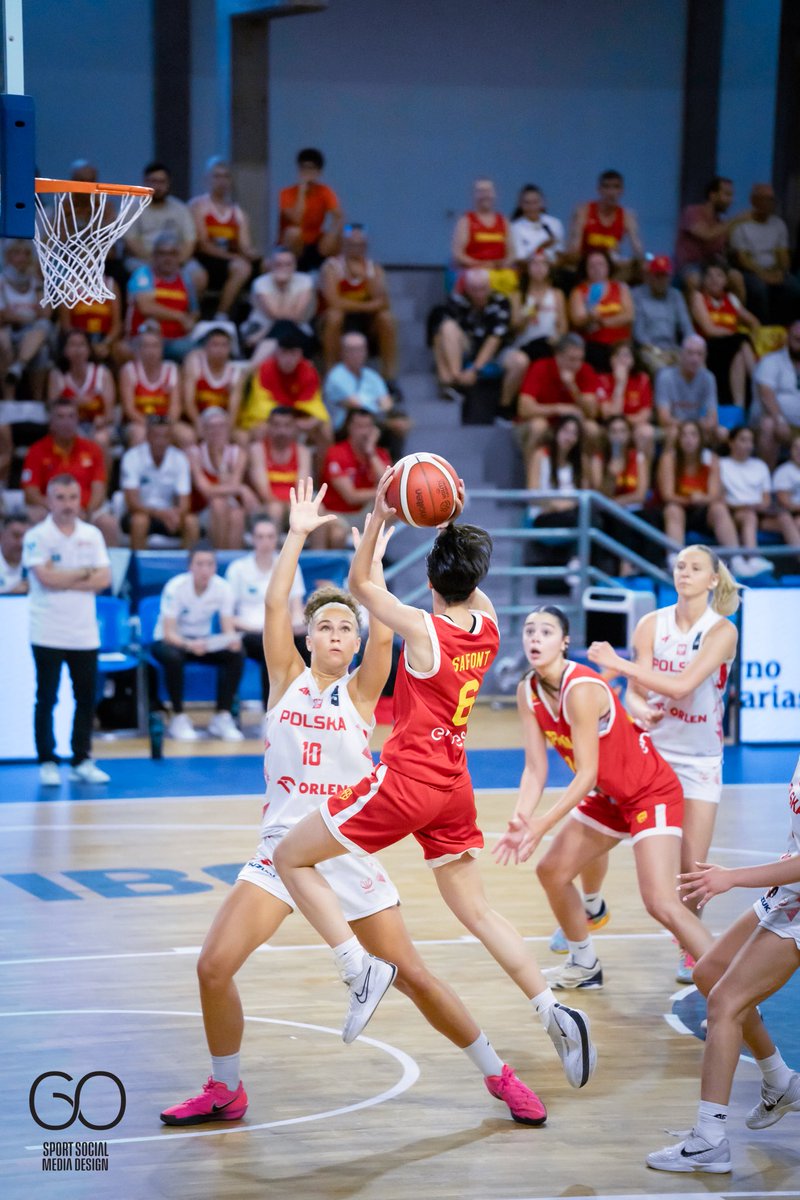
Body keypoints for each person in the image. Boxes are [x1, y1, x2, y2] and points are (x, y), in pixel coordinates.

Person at [160, 484, 549, 1129]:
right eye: (325, 624)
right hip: (281, 856)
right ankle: (225, 1088)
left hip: (346, 847)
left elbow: (380, 607)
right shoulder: (284, 679)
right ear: (307, 636)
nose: (337, 631)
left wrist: (385, 534)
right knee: (212, 965)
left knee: (416, 976)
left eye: (347, 625)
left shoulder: (364, 693)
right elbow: (271, 601)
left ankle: (500, 1076)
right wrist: (296, 534)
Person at [274, 481, 597, 1091]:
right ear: (477, 577)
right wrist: (448, 517)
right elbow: (458, 576)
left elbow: (364, 586)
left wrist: (377, 518)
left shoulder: (425, 631)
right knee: (477, 910)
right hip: (454, 782)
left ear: (430, 575)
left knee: (290, 854)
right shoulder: (490, 623)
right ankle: (551, 1009)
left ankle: (358, 967)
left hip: (407, 781)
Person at [493, 605, 714, 992]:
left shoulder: (581, 689)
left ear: (564, 642)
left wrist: (543, 822)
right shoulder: (527, 689)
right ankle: (584, 964)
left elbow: (587, 773)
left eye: (545, 632)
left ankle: (728, 980)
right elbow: (534, 769)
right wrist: (522, 818)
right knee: (552, 871)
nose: (534, 639)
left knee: (661, 902)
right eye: (529, 631)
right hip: (608, 796)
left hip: (649, 792)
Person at [587, 545, 740, 982]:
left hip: (699, 760)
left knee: (692, 867)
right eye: (679, 566)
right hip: (649, 752)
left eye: (695, 568)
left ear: (712, 580)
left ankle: (689, 946)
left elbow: (682, 686)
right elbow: (636, 688)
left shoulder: (721, 631)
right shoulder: (651, 623)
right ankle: (586, 910)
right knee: (593, 834)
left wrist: (615, 664)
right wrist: (637, 706)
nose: (684, 573)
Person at [644, 754, 800, 1174]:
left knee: (725, 1003)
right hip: (789, 892)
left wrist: (732, 877)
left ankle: (709, 1140)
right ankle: (780, 1080)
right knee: (709, 973)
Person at [21, 474, 111, 786]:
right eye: (60, 498)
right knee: (46, 698)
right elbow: (45, 579)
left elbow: (104, 579)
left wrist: (64, 575)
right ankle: (47, 760)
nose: (67, 504)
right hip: (47, 630)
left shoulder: (92, 534)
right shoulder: (37, 536)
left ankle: (81, 759)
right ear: (48, 500)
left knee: (85, 698)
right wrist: (85, 573)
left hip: (84, 633)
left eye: (72, 497)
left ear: (80, 499)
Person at [150, 541, 244, 742]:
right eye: (199, 564)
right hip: (172, 640)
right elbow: (168, 632)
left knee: (236, 654)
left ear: (215, 567)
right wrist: (189, 645)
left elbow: (227, 627)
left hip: (203, 640)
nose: (205, 569)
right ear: (190, 566)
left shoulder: (223, 588)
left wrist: (231, 641)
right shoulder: (175, 587)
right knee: (172, 657)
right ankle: (178, 716)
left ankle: (223, 716)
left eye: (209, 564)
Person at [225, 512, 306, 708]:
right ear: (252, 539)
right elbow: (228, 616)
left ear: (276, 539)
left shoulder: (288, 565)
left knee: (308, 644)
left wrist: (298, 625)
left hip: (283, 630)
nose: (265, 542)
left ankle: (306, 707)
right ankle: (269, 711)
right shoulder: (238, 569)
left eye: (270, 536)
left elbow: (296, 607)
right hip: (250, 632)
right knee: (269, 647)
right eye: (260, 537)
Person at [21, 398, 119, 546]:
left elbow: (99, 488)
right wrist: (58, 508)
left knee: (109, 524)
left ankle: (109, 568)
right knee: (33, 517)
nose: (66, 422)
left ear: (78, 420)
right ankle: (37, 564)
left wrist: (86, 511)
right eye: (61, 417)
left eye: (71, 416)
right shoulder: (36, 451)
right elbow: (30, 492)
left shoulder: (92, 449)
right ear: (51, 422)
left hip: (86, 510)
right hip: (49, 509)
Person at [318, 225, 399, 386]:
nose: (356, 248)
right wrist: (369, 305)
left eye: (360, 244)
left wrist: (367, 279)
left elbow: (383, 303)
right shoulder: (331, 267)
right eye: (352, 244)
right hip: (335, 323)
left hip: (365, 323)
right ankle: (332, 376)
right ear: (343, 244)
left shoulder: (373, 268)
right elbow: (334, 303)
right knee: (335, 316)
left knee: (386, 318)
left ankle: (389, 378)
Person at [238, 325, 331, 459]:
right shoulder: (265, 370)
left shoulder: (308, 371)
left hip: (295, 420)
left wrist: (314, 419)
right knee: (260, 430)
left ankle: (324, 475)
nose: (288, 359)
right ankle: (265, 474)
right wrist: (286, 422)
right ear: (277, 353)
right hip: (270, 420)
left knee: (325, 429)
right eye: (284, 353)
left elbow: (314, 404)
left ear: (300, 354)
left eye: (293, 354)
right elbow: (260, 407)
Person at [323, 330, 410, 458]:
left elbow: (387, 404)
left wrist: (381, 407)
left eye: (360, 349)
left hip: (372, 421)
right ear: (342, 353)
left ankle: (395, 470)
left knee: (399, 425)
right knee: (377, 424)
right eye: (351, 350)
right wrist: (381, 410)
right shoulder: (335, 377)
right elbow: (356, 405)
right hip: (343, 427)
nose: (356, 354)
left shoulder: (372, 376)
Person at [189, 157, 259, 318]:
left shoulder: (238, 212)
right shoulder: (198, 206)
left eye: (226, 176)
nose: (222, 181)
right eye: (217, 176)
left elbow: (245, 246)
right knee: (240, 266)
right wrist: (233, 256)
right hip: (204, 258)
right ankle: (197, 315)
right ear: (207, 179)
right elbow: (203, 244)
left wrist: (256, 256)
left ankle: (222, 315)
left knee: (255, 266)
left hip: (228, 260)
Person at [515, 332, 599, 463]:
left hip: (572, 426)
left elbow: (592, 413)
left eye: (580, 359)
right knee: (539, 426)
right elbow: (524, 409)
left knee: (592, 429)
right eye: (571, 359)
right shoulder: (540, 367)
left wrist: (572, 387)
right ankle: (533, 480)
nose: (576, 365)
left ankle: (584, 480)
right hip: (544, 424)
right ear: (558, 356)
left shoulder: (586, 371)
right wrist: (558, 408)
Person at [500, 251, 568, 411]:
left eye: (543, 263)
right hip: (521, 346)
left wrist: (557, 339)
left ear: (549, 268)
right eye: (534, 263)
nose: (539, 268)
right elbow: (515, 328)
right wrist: (530, 312)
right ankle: (504, 408)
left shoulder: (557, 295)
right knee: (520, 362)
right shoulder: (517, 295)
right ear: (528, 268)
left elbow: (563, 327)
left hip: (548, 345)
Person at [432, 269, 511, 403]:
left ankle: (454, 385)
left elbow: (495, 337)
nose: (479, 294)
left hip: (492, 350)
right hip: (465, 346)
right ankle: (453, 379)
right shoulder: (458, 300)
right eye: (474, 289)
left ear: (490, 287)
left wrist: (475, 369)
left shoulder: (501, 301)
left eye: (483, 289)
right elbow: (439, 334)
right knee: (445, 328)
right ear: (467, 289)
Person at [316, 409, 392, 548]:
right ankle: (341, 568)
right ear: (349, 428)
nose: (364, 432)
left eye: (368, 426)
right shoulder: (336, 453)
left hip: (365, 514)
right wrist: (382, 491)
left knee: (397, 506)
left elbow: (392, 487)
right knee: (337, 534)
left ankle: (375, 556)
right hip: (336, 514)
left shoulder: (378, 454)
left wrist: (371, 453)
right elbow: (351, 496)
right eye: (359, 426)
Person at [120, 415, 198, 550]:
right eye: (156, 436)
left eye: (165, 436)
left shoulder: (180, 459)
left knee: (191, 522)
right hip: (143, 512)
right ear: (148, 436)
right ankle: (138, 569)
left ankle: (188, 568)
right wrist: (159, 513)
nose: (161, 441)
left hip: (170, 515)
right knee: (140, 521)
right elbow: (132, 503)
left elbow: (185, 503)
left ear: (171, 439)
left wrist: (175, 514)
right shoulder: (132, 457)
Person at [716, 425, 783, 577]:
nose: (748, 445)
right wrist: (743, 506)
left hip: (761, 513)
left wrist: (758, 506)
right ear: (731, 442)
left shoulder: (760, 465)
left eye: (750, 441)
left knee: (786, 518)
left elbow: (766, 499)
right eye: (743, 440)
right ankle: (753, 558)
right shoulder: (721, 464)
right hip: (734, 514)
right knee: (748, 515)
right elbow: (719, 498)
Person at [690, 262, 759, 408]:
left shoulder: (731, 299)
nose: (714, 279)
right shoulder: (699, 297)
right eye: (710, 276)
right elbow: (709, 329)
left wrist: (752, 336)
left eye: (719, 275)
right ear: (704, 281)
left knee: (740, 352)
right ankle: (758, 383)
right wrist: (735, 334)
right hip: (709, 346)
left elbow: (754, 322)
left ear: (726, 281)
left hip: (732, 347)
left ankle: (738, 406)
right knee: (741, 341)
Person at [729, 182, 800, 324]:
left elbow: (783, 254)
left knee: (793, 286)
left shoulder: (778, 224)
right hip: (750, 271)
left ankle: (786, 329)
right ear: (754, 201)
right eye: (764, 199)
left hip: (774, 270)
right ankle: (763, 327)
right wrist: (763, 275)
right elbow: (742, 258)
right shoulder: (741, 225)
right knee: (758, 288)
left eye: (771, 199)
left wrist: (782, 272)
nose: (769, 203)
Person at [187, 407, 257, 549]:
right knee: (218, 503)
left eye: (221, 426)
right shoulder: (195, 454)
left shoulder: (238, 454)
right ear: (204, 430)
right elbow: (206, 491)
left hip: (230, 507)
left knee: (237, 515)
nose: (217, 431)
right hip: (203, 510)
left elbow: (233, 485)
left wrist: (234, 486)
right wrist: (241, 488)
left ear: (228, 429)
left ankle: (230, 563)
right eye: (211, 427)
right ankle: (217, 556)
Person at [47, 329, 116, 467]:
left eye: (81, 345)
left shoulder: (102, 374)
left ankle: (102, 486)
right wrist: (75, 403)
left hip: (97, 426)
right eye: (72, 345)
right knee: (67, 436)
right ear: (65, 350)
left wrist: (102, 419)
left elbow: (110, 414)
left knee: (101, 439)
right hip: (69, 425)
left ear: (89, 349)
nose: (77, 350)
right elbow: (52, 409)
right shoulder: (57, 376)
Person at [656, 419, 726, 553]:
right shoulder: (669, 458)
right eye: (684, 435)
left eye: (693, 435)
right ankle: (674, 558)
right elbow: (667, 495)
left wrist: (702, 500)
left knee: (719, 508)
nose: (689, 439)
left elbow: (714, 494)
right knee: (673, 509)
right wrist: (691, 500)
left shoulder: (711, 459)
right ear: (678, 439)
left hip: (702, 510)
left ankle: (736, 558)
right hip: (677, 509)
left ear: (700, 439)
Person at [127, 233, 200, 362]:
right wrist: (180, 317)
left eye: (172, 254)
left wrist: (190, 322)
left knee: (197, 353)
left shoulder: (186, 279)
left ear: (178, 257)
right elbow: (146, 307)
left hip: (177, 340)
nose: (168, 258)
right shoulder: (143, 274)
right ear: (154, 256)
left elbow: (194, 311)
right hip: (143, 338)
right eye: (163, 253)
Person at [124, 161, 201, 283]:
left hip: (176, 259)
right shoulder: (132, 207)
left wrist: (177, 262)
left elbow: (190, 240)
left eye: (161, 182)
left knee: (198, 275)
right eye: (153, 181)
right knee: (140, 274)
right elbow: (130, 241)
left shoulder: (180, 208)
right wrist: (156, 262)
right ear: (145, 182)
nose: (157, 187)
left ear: (168, 184)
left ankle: (186, 302)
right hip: (143, 259)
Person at [0, 239, 52, 401]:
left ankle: (19, 368)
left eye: (26, 254)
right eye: (17, 253)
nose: (22, 258)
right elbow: (3, 316)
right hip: (8, 332)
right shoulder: (1, 282)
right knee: (3, 341)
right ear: (7, 257)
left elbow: (46, 315)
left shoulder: (36, 283)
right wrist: (30, 317)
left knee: (42, 347)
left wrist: (37, 286)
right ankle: (9, 399)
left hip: (31, 336)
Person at [244, 246, 316, 363]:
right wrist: (281, 286)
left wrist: (284, 287)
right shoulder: (260, 282)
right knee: (282, 326)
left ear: (295, 266)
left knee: (284, 325)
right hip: (261, 330)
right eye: (278, 264)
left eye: (288, 264)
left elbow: (296, 316)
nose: (283, 268)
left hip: (292, 334)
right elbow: (275, 314)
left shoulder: (305, 280)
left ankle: (252, 367)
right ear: (270, 266)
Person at [277, 147, 343, 272]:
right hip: (293, 245)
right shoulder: (286, 193)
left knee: (339, 238)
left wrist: (332, 235)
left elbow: (339, 216)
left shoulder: (325, 191)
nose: (307, 172)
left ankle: (331, 277)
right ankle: (293, 271)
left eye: (311, 168)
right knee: (294, 232)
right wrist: (302, 190)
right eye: (303, 168)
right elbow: (296, 219)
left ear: (318, 172)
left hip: (315, 242)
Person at [247, 405, 312, 529]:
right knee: (275, 509)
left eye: (287, 425)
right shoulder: (258, 450)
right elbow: (264, 493)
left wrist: (291, 507)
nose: (281, 431)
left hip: (294, 505)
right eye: (276, 425)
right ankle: (273, 548)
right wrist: (285, 506)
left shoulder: (302, 452)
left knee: (317, 509)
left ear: (294, 428)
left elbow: (302, 489)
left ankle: (317, 549)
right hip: (265, 506)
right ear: (269, 427)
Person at [569, 249, 634, 371]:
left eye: (601, 264)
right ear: (586, 269)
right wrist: (590, 317)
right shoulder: (579, 291)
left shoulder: (620, 288)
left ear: (608, 266)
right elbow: (577, 320)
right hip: (593, 344)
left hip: (619, 344)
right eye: (592, 265)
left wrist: (603, 322)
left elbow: (628, 316)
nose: (596, 269)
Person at [567, 170, 643, 274]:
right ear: (599, 190)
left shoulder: (627, 216)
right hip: (584, 266)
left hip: (612, 267)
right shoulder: (583, 211)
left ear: (622, 191)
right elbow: (573, 250)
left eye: (616, 187)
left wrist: (633, 262)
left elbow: (638, 250)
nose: (611, 192)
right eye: (606, 187)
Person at [451, 178, 517, 295]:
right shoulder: (465, 221)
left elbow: (512, 253)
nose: (485, 195)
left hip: (499, 272)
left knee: (512, 283)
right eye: (480, 191)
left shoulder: (504, 221)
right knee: (479, 281)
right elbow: (458, 254)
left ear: (495, 194)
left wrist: (502, 264)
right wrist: (480, 265)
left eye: (488, 191)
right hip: (474, 273)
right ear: (474, 195)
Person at [119, 323, 181, 445]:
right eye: (146, 346)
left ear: (162, 349)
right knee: (139, 435)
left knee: (186, 436)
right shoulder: (129, 370)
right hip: (138, 423)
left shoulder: (172, 369)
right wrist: (152, 427)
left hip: (166, 422)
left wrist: (165, 426)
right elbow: (129, 409)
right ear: (139, 349)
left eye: (155, 346)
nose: (151, 351)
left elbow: (176, 407)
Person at [655, 334, 722, 447]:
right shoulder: (665, 376)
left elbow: (713, 417)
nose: (695, 359)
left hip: (697, 428)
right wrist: (691, 427)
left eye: (699, 354)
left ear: (705, 357)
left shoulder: (708, 378)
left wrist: (700, 426)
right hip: (674, 427)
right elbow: (663, 418)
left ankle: (709, 463)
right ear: (681, 355)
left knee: (721, 433)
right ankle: (668, 462)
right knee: (674, 433)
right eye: (690, 353)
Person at [632, 255, 694, 375]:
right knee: (662, 369)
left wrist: (692, 347)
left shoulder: (676, 296)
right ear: (650, 276)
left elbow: (687, 327)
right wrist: (658, 352)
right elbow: (638, 333)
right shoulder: (637, 295)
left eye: (665, 276)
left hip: (674, 348)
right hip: (649, 349)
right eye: (658, 276)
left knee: (696, 363)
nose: (661, 280)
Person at [751, 319, 800, 469]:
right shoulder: (771, 361)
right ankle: (766, 483)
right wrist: (779, 419)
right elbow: (766, 393)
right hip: (775, 422)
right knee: (769, 424)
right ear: (787, 337)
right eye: (797, 339)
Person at [181, 327, 245, 442]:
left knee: (242, 437)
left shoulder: (236, 374)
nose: (219, 349)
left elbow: (233, 410)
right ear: (206, 347)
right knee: (188, 436)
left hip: (222, 422)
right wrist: (198, 422)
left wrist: (225, 430)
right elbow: (188, 403)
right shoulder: (195, 365)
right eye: (215, 345)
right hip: (197, 419)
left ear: (230, 348)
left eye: (224, 345)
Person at [595, 340, 655, 458]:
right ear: (611, 360)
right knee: (616, 429)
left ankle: (643, 474)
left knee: (646, 432)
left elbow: (644, 415)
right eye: (618, 355)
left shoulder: (642, 380)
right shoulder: (602, 380)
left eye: (627, 355)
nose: (623, 360)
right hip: (608, 427)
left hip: (633, 427)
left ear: (633, 360)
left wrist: (624, 420)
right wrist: (620, 384)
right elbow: (609, 416)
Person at [509, 185, 565, 267]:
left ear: (543, 203)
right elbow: (520, 261)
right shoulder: (514, 228)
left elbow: (560, 253)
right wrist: (541, 247)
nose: (532, 207)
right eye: (527, 203)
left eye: (535, 202)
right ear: (520, 204)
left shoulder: (555, 224)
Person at [0, 510, 28, 593]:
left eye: (26, 537)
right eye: (16, 536)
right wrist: (12, 592)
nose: (21, 542)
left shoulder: (35, 561)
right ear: (1, 536)